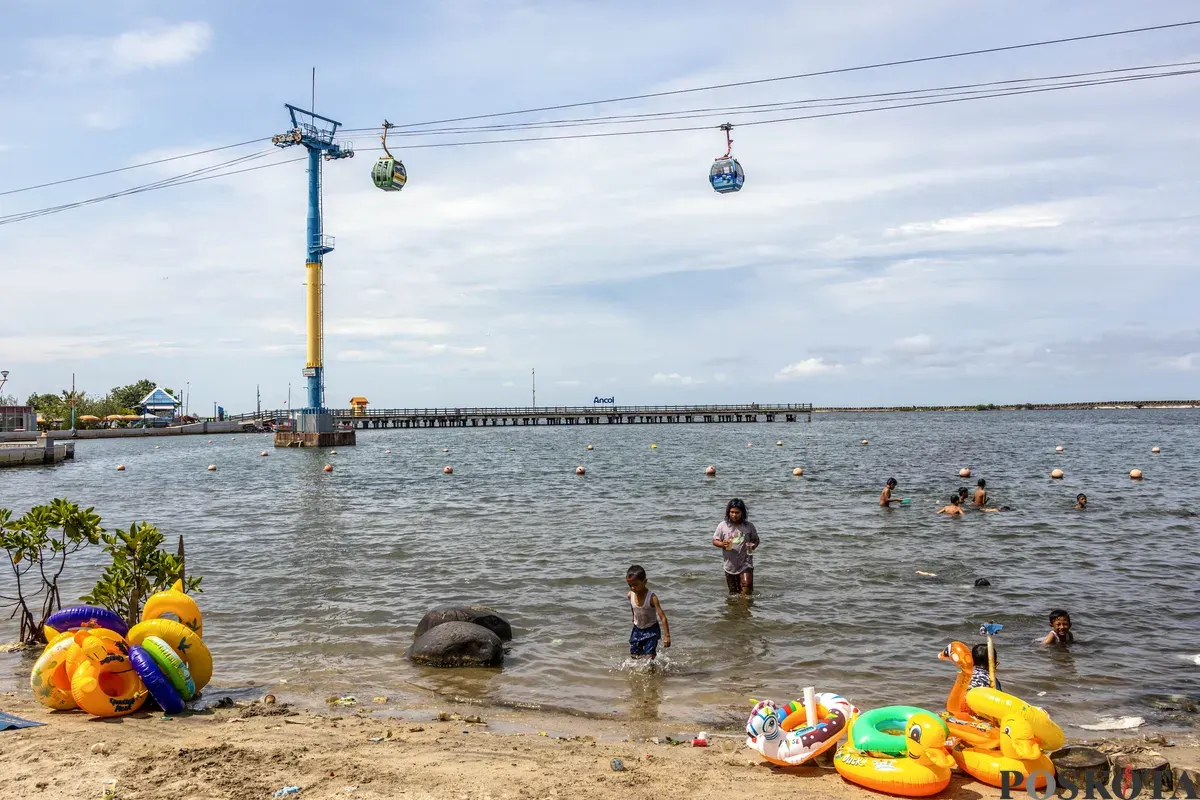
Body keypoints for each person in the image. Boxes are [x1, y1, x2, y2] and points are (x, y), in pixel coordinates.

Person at [713, 498, 759, 595]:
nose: (734, 515)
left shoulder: (748, 526)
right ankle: (736, 609)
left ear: (742, 513)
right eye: (732, 512)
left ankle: (745, 608)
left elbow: (756, 539)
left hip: (746, 562)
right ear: (728, 512)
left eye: (737, 512)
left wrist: (754, 545)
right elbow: (715, 541)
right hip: (730, 564)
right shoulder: (723, 526)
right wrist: (722, 544)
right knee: (733, 593)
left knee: (746, 588)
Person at [625, 565, 671, 659]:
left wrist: (667, 636)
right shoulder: (630, 595)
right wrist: (633, 616)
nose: (633, 588)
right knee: (634, 656)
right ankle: (639, 673)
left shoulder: (652, 598)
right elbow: (633, 606)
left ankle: (652, 671)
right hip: (637, 629)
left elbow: (662, 617)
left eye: (635, 585)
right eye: (630, 585)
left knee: (649, 657)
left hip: (651, 629)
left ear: (645, 582)